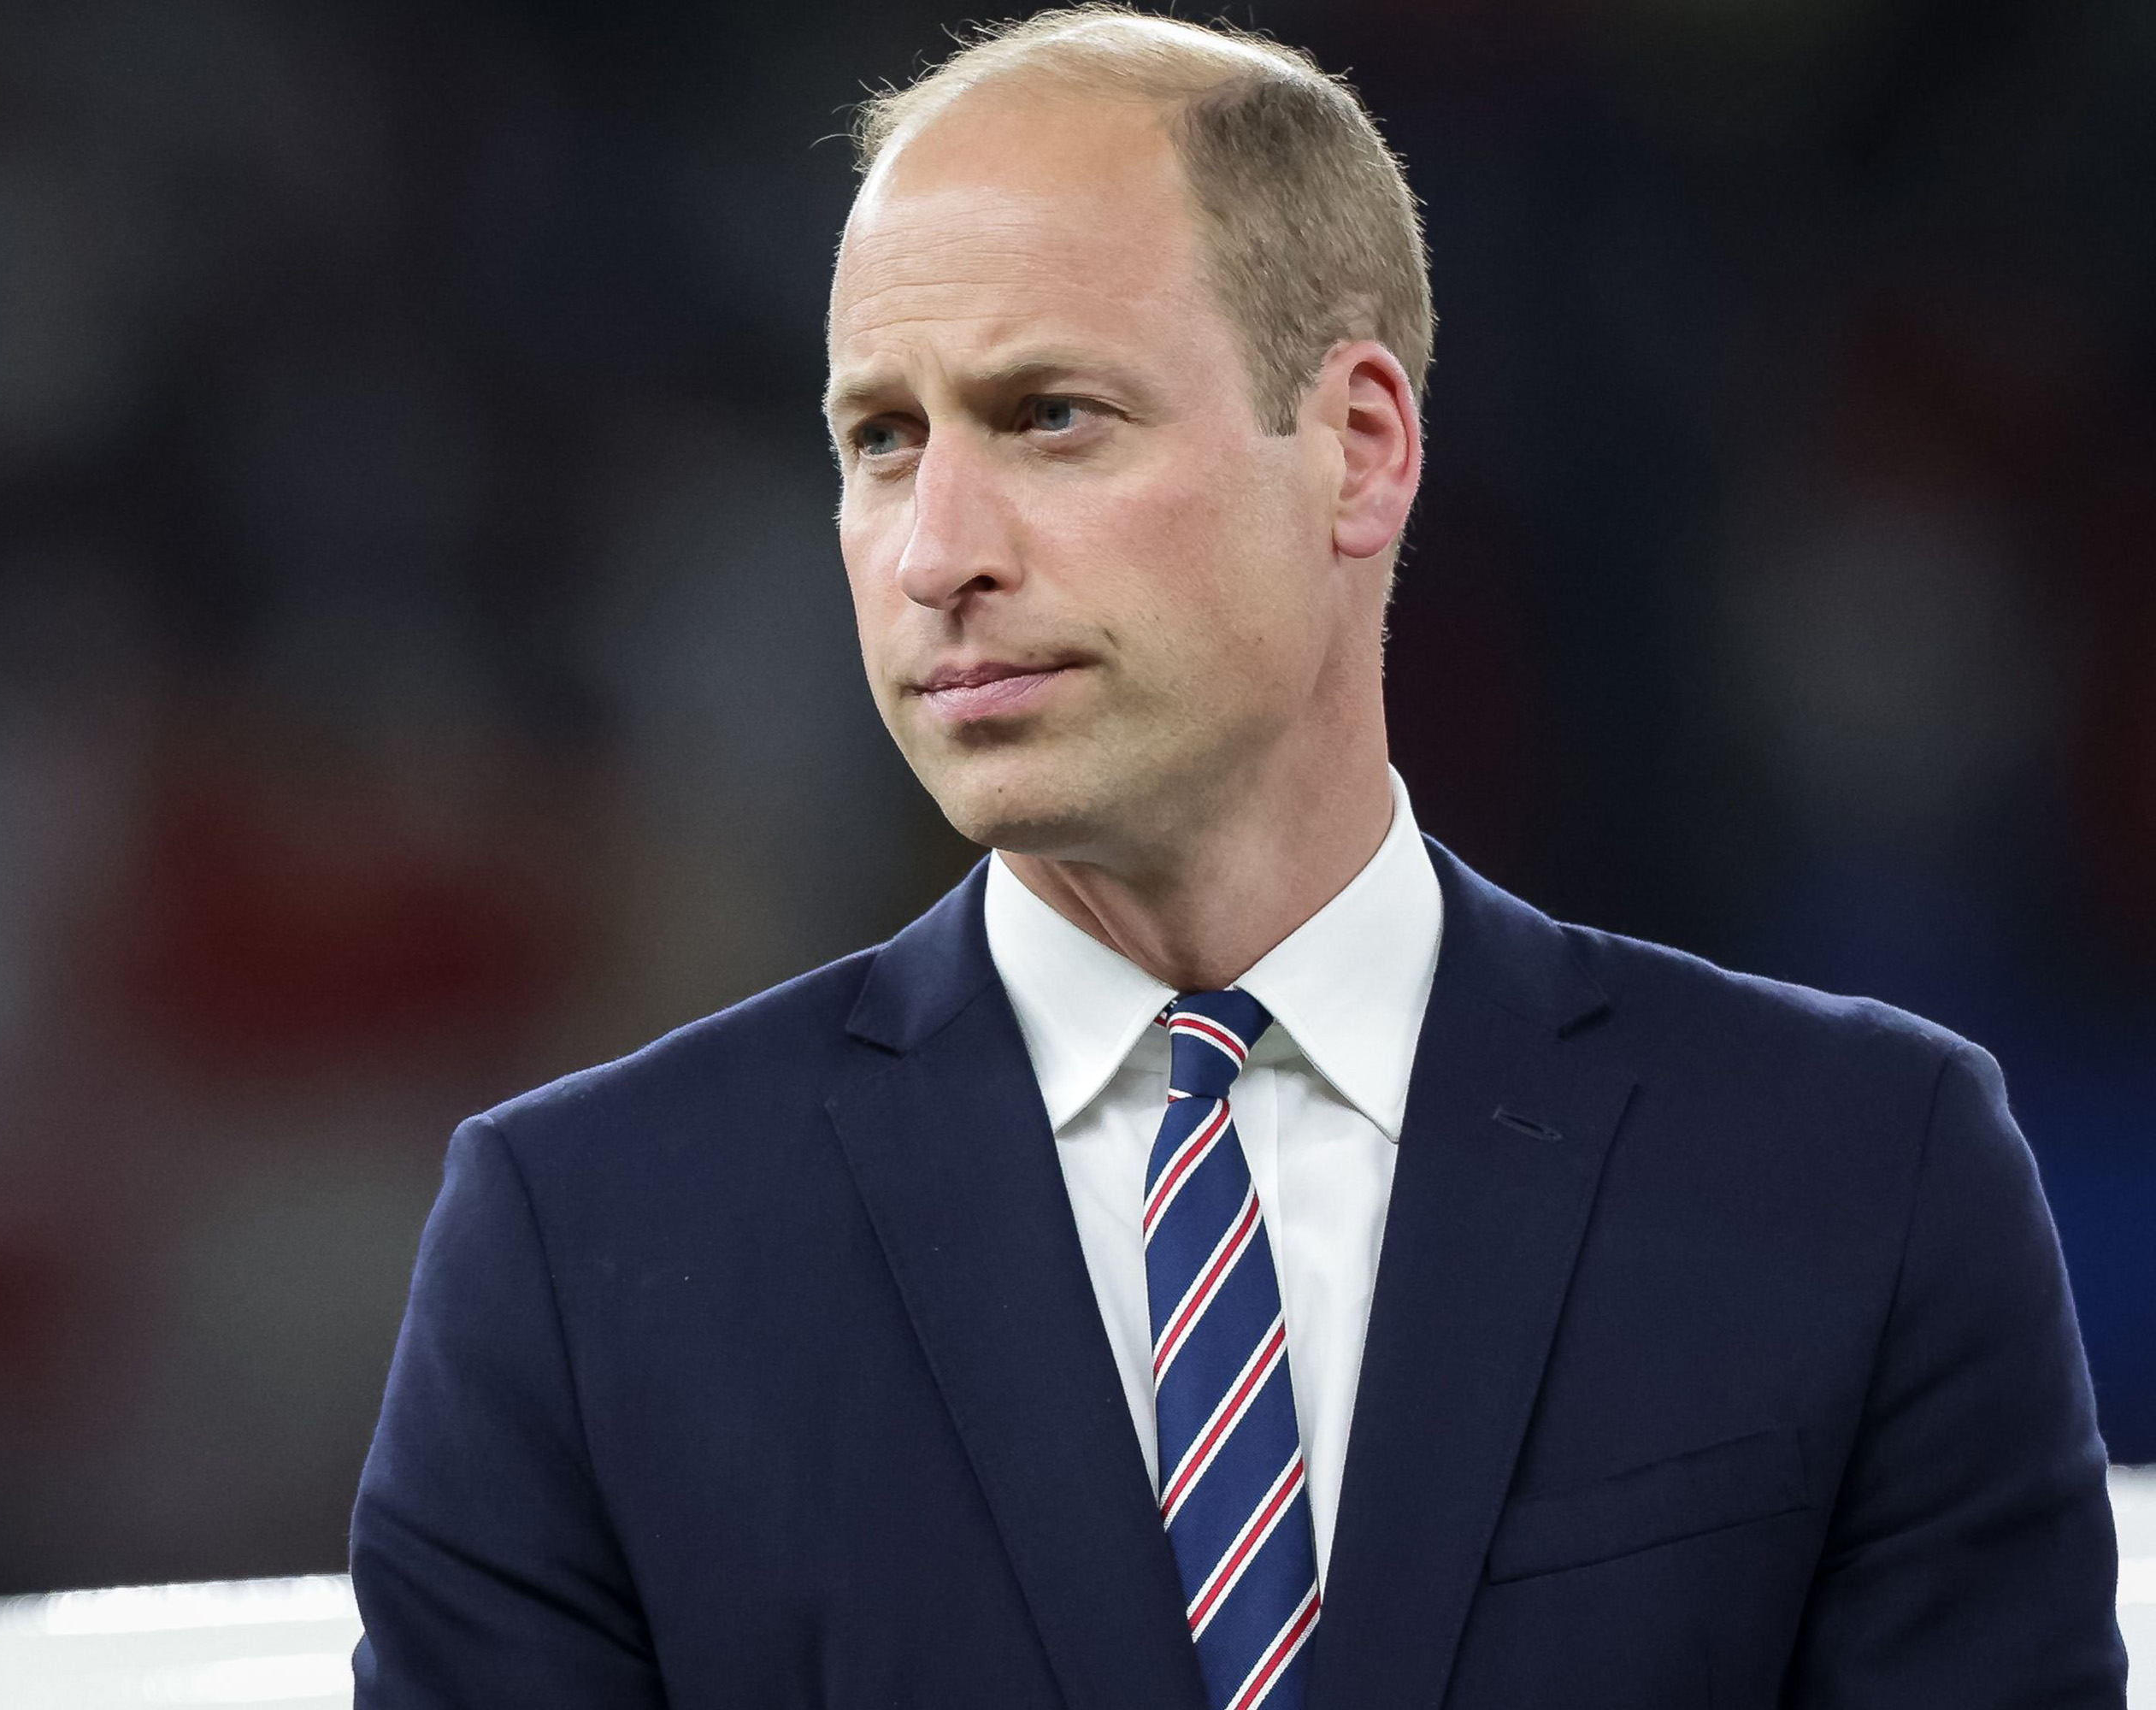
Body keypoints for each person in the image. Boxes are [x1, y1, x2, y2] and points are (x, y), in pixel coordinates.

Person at [348, 9, 2127, 1707]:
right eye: (881, 438)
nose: (934, 552)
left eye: (1051, 414)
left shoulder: (1861, 1178)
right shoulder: (586, 1253)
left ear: (1357, 450)